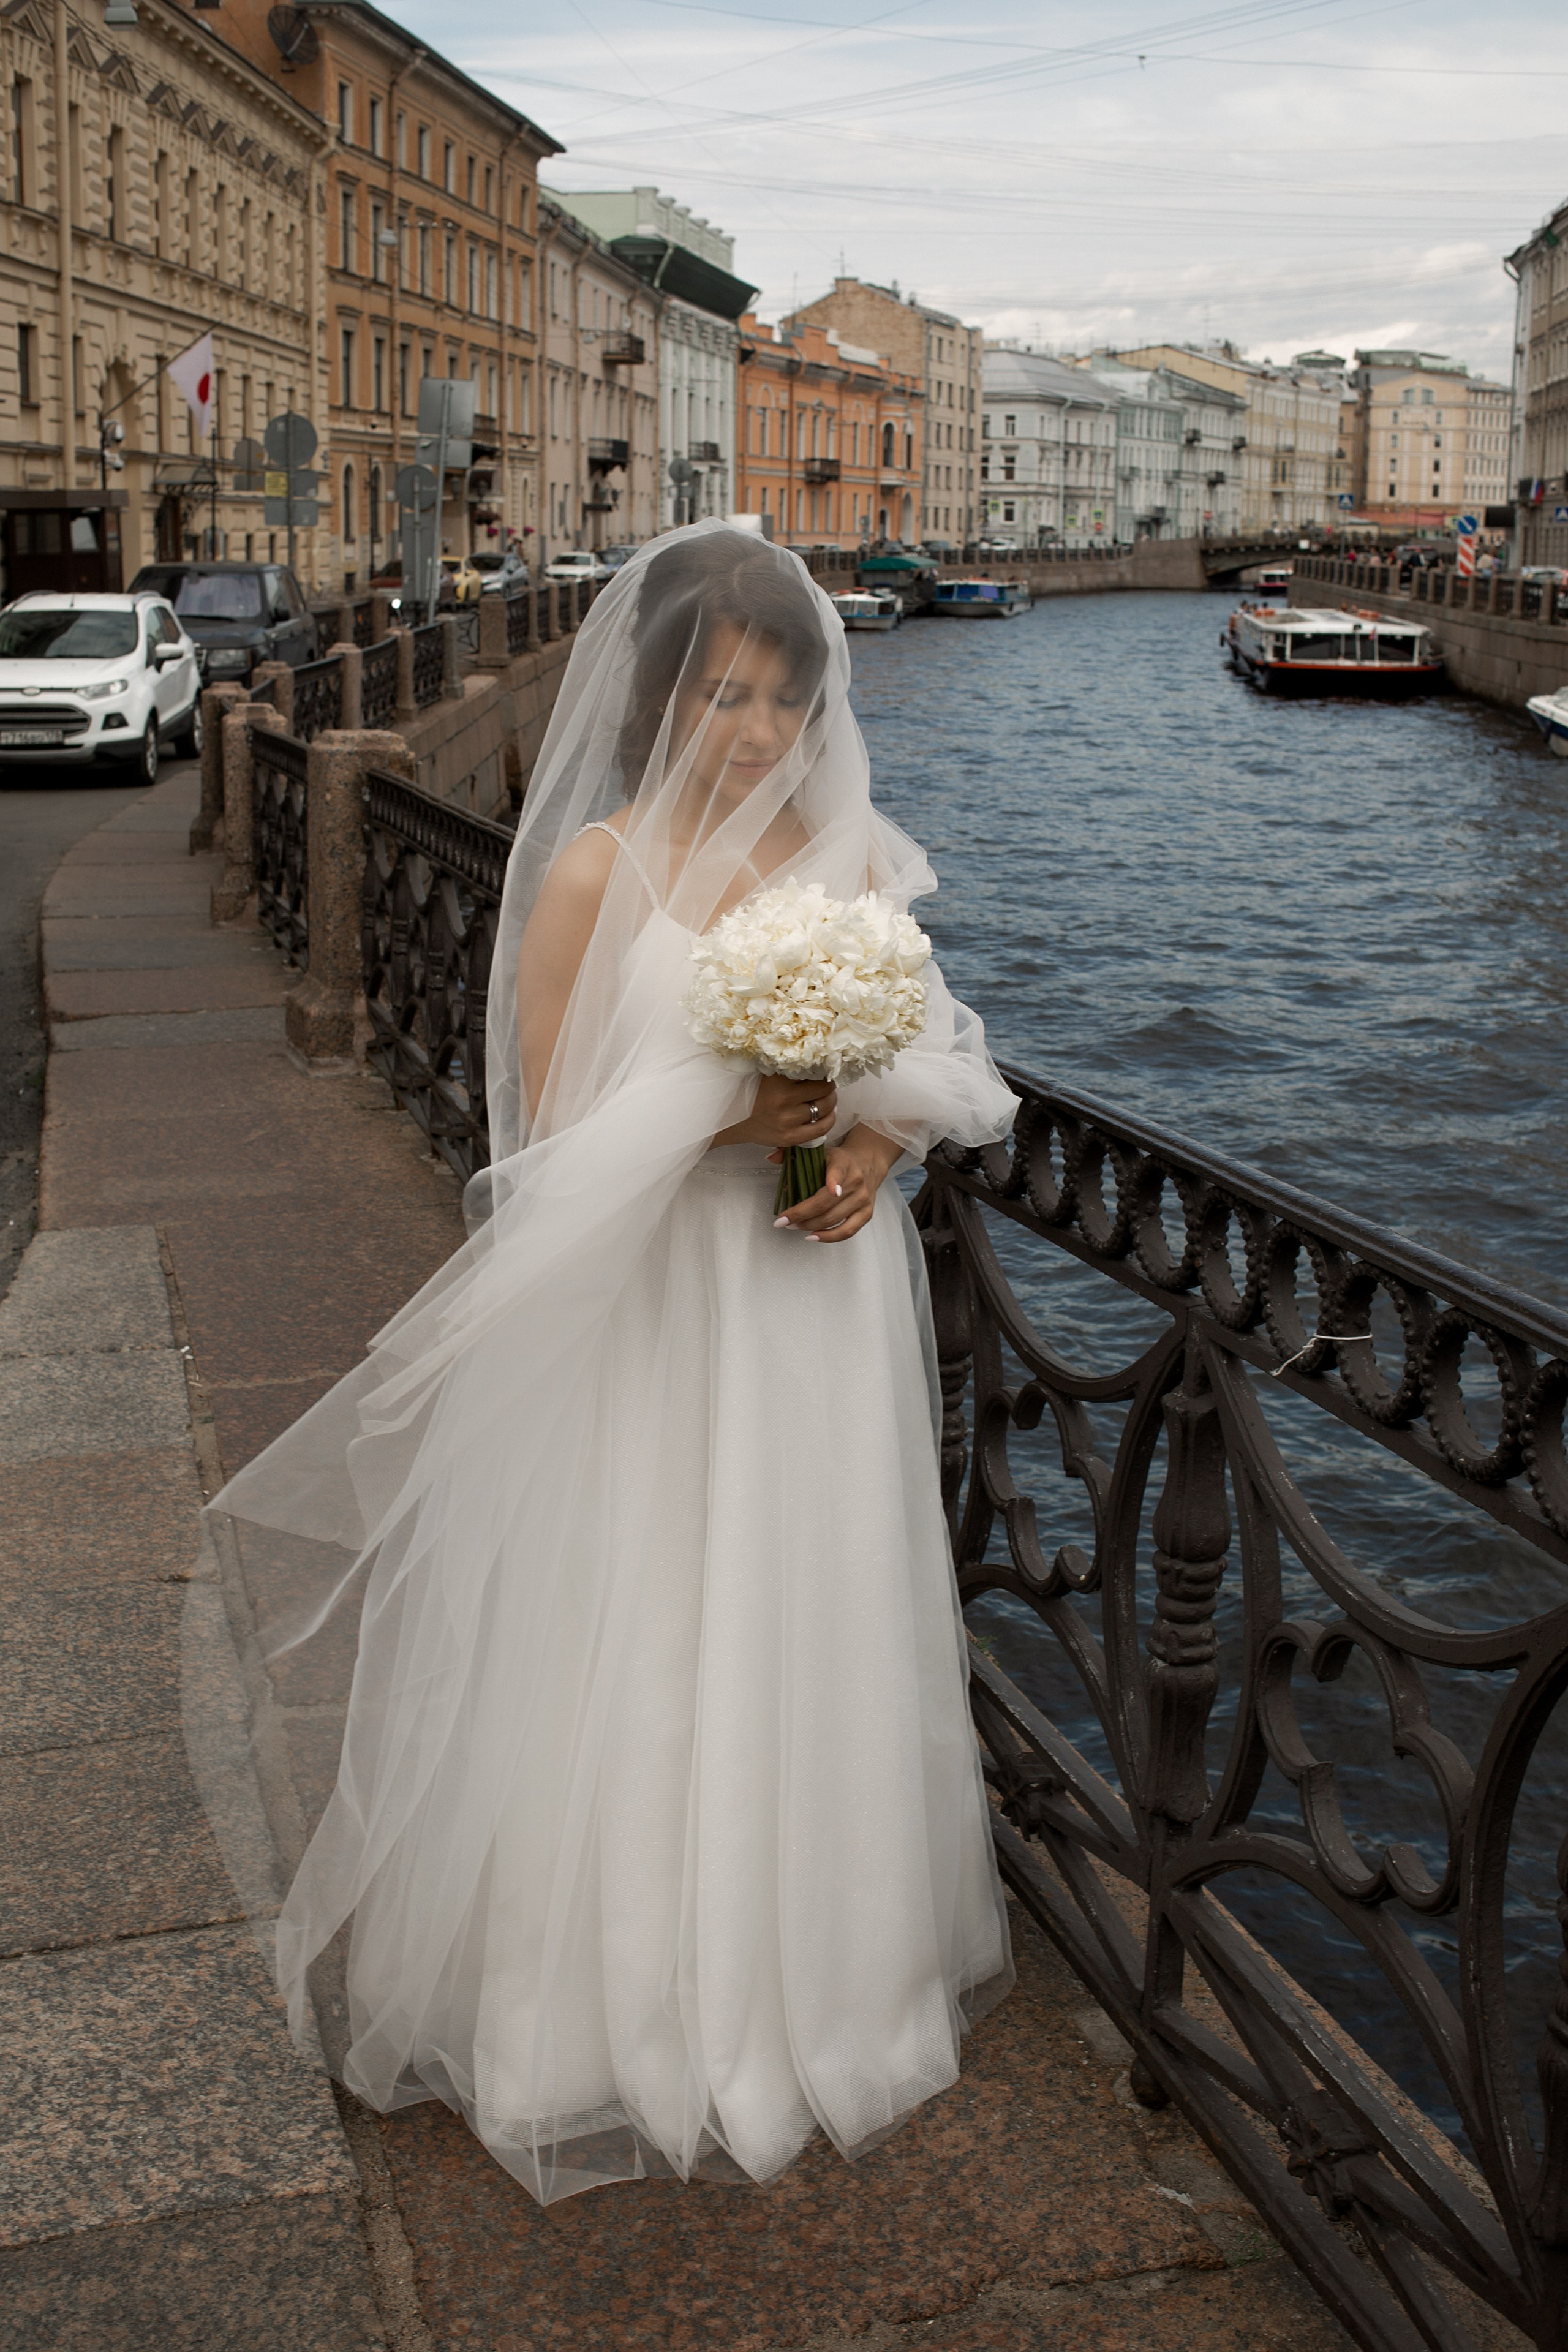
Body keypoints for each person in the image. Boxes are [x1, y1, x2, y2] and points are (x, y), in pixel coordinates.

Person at [206, 521, 1019, 2207]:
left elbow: (917, 1079)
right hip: (663, 1301)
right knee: (654, 1610)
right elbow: (552, 1136)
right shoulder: (594, 869)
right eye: (725, 696)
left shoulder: (853, 865)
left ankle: (830, 1985)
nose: (756, 734)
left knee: (812, 1607)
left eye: (784, 704)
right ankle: (627, 2003)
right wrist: (736, 1112)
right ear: (663, 698)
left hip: (813, 1305)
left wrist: (863, 1157)